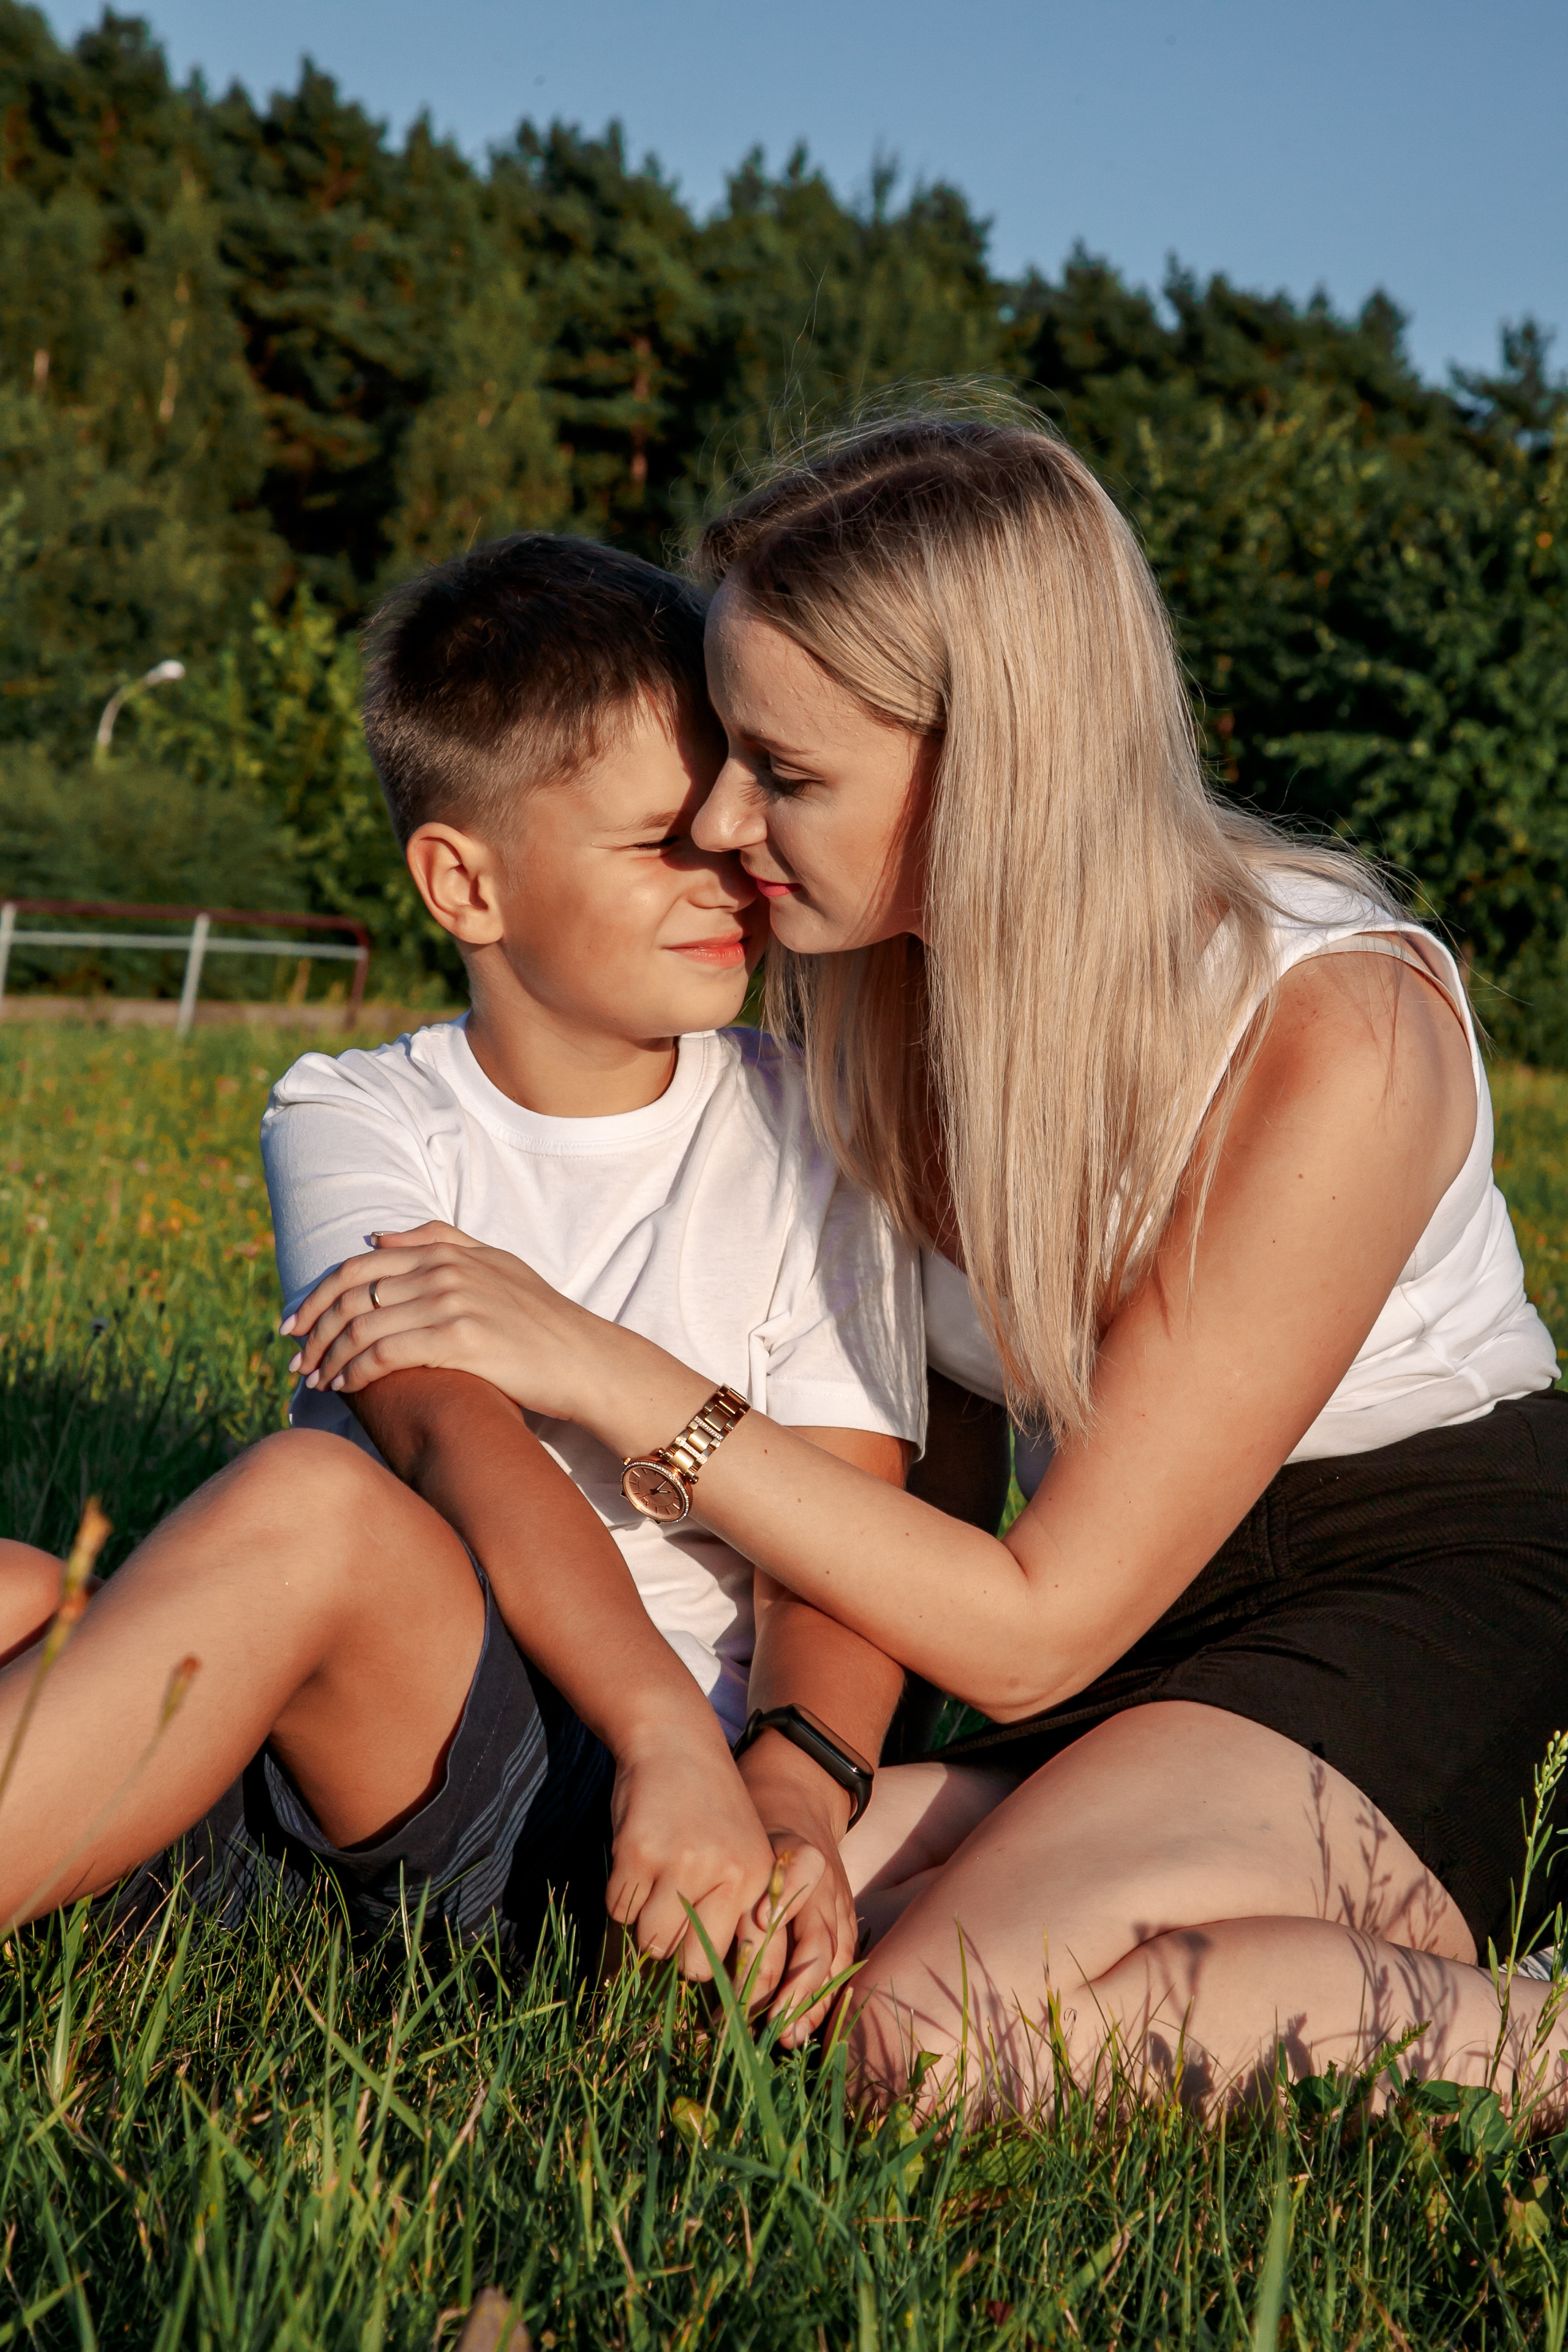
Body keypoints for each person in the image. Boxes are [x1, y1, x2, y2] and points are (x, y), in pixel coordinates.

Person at [289, 407, 1568, 2122]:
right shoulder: (879, 987)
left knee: (923, 2037)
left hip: (1419, 1595)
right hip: (1134, 1623)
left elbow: (1030, 1637)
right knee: (703, 1960)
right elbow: (925, 1497)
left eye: (788, 775)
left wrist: (599, 1365)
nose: (729, 824)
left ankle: (1527, 2038)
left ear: (999, 764)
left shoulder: (1336, 1031)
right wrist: (805, 1784)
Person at [0, 535, 925, 2034]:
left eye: (736, 824)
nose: (733, 873)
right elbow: (444, 1427)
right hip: (371, 1735)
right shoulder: (354, 1112)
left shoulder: (818, 1129)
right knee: (22, 1593)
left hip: (610, 1811)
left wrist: (737, 1775)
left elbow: (845, 1536)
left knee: (313, 1502)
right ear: (463, 882)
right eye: (661, 843)